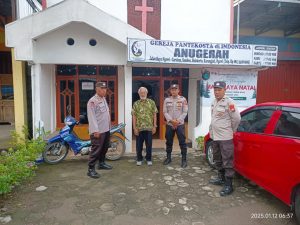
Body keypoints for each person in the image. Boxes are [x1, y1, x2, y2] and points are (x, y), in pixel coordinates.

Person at [209, 81, 241, 196]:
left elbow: (236, 118)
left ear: (224, 90)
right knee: (217, 158)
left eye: (219, 90)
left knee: (227, 160)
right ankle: (221, 178)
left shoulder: (229, 102)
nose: (217, 92)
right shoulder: (214, 102)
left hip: (225, 137)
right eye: (215, 90)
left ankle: (229, 185)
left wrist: (231, 130)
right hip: (215, 136)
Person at [86, 81, 112, 179]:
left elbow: (105, 114)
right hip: (98, 131)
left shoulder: (103, 99)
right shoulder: (92, 101)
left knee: (104, 148)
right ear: (97, 89)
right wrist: (95, 130)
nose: (104, 91)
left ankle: (101, 163)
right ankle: (91, 169)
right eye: (102, 89)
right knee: (96, 150)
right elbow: (92, 117)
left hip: (106, 129)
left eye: (105, 89)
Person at [163, 84, 188, 168]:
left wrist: (177, 121)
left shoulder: (183, 99)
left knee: (182, 142)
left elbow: (185, 112)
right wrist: (171, 121)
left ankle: (184, 160)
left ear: (178, 90)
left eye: (175, 89)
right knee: (169, 142)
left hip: (179, 124)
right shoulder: (167, 100)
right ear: (170, 91)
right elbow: (165, 112)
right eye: (172, 89)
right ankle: (168, 158)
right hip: (170, 124)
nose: (174, 91)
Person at [132, 87, 158, 166]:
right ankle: (139, 158)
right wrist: (134, 128)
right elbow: (134, 116)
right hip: (139, 128)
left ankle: (148, 158)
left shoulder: (152, 102)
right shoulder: (136, 103)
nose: (143, 94)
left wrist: (154, 126)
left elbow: (154, 114)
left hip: (149, 128)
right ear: (139, 94)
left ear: (146, 93)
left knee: (149, 144)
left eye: (144, 92)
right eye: (141, 93)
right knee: (139, 145)